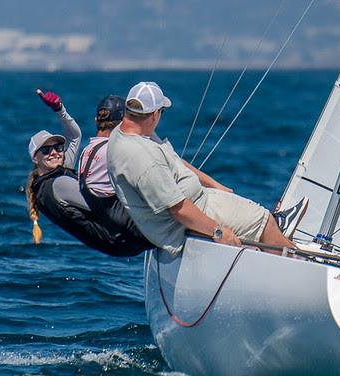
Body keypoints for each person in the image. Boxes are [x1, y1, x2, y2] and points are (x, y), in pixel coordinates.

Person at [106, 81, 305, 256]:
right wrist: (218, 232)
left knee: (257, 217)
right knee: (264, 220)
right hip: (183, 221)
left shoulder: (128, 131)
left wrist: (215, 185)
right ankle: (297, 264)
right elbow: (178, 209)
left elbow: (174, 161)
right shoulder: (143, 158)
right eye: (161, 112)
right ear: (154, 115)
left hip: (200, 199)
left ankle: (278, 239)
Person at [24, 89, 154, 256]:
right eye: (46, 150)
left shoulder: (52, 177)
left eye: (58, 147)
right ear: (35, 159)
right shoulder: (57, 184)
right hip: (123, 238)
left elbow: (75, 136)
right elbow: (99, 203)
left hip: (118, 242)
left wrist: (59, 109)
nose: (54, 152)